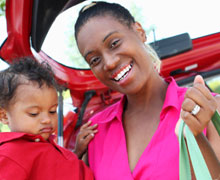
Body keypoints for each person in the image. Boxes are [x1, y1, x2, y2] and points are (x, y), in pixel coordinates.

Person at [73, 1, 220, 179]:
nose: (109, 62)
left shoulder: (208, 108)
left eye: (114, 43)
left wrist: (198, 139)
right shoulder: (95, 131)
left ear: (139, 32)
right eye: (95, 60)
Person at [0, 57, 94, 180]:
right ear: (4, 116)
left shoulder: (45, 145)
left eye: (52, 111)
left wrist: (77, 152)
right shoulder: (9, 155)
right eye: (34, 113)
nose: (47, 120)